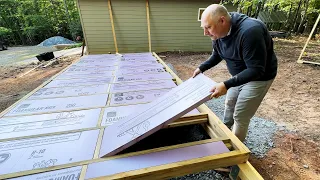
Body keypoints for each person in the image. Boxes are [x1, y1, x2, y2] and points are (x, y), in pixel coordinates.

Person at [193, 4, 278, 142]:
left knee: (240, 115)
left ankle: (234, 148)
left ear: (222, 21)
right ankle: (224, 132)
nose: (205, 32)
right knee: (230, 103)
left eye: (208, 27)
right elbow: (217, 54)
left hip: (259, 78)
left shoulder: (250, 31)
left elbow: (256, 69)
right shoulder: (218, 33)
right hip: (238, 75)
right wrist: (202, 68)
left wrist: (226, 85)